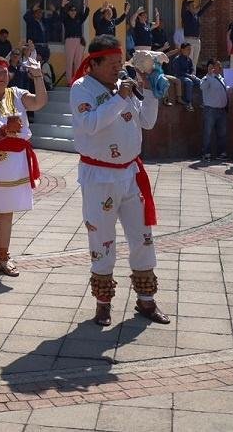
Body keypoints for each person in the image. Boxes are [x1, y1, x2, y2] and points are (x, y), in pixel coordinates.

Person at [69, 35, 168, 327]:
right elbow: (90, 124)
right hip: (99, 175)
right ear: (94, 63)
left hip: (130, 172)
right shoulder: (81, 88)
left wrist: (150, 91)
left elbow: (146, 122)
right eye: (111, 63)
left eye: (118, 62)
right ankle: (103, 302)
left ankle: (146, 299)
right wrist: (120, 98)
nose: (117, 68)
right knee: (102, 236)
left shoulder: (123, 86)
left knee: (142, 235)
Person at [0, 52, 48, 278]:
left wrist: (37, 75)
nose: (2, 76)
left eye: (4, 71)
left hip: (15, 161)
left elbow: (39, 102)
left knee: (6, 211)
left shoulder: (16, 93)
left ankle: (3, 258)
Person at [199, 59, 229, 161]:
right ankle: (206, 153)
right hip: (210, 110)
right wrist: (209, 75)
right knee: (208, 132)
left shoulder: (222, 79)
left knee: (222, 133)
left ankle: (221, 153)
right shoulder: (206, 78)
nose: (220, 68)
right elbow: (202, 87)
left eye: (220, 66)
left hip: (222, 110)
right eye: (217, 66)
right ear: (212, 67)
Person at [179, 0, 214, 66]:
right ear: (188, 7)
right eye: (192, 5)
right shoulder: (185, 15)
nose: (194, 6)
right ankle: (189, 73)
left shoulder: (196, 16)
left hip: (197, 40)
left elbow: (204, 9)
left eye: (194, 5)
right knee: (190, 61)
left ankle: (193, 73)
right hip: (189, 40)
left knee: (195, 62)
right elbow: (183, 5)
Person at [59, 0, 89, 86]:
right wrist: (62, 5)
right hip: (70, 40)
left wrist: (87, 6)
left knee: (78, 62)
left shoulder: (79, 19)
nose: (73, 12)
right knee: (69, 61)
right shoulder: (66, 19)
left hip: (79, 41)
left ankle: (77, 81)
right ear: (68, 12)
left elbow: (86, 15)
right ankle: (69, 82)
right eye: (71, 10)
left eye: (74, 10)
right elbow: (61, 15)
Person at [170, 43, 198, 111]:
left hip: (188, 76)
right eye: (188, 49)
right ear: (182, 50)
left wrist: (192, 74)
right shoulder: (177, 59)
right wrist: (189, 75)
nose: (189, 51)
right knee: (189, 82)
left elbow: (191, 69)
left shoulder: (189, 60)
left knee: (199, 81)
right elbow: (178, 72)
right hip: (179, 76)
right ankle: (188, 102)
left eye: (190, 50)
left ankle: (201, 102)